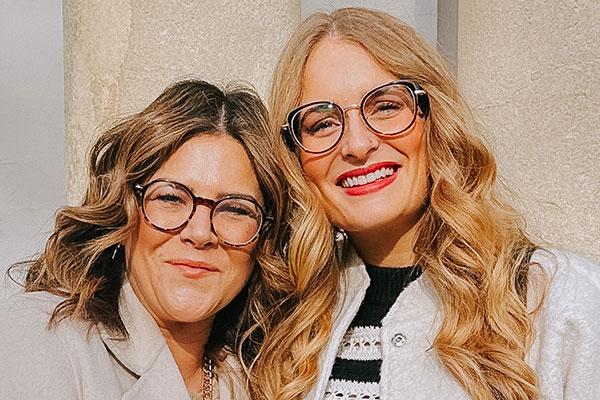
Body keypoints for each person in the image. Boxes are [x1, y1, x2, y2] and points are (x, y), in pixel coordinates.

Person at [247, 7, 600, 400]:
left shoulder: (554, 298)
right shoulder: (282, 324)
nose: (358, 145)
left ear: (434, 116)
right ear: (295, 156)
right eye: (322, 123)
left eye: (385, 106)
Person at [0, 79, 287, 399]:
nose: (200, 233)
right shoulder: (43, 336)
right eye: (170, 198)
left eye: (235, 209)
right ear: (125, 211)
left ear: (264, 238)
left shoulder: (263, 379)